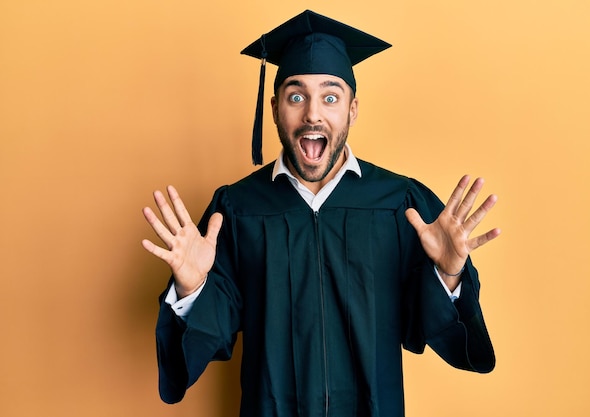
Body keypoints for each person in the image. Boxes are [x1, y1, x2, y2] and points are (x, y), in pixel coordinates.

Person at [142, 10, 500, 417]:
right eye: (297, 97)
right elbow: (210, 336)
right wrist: (192, 290)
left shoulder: (401, 204)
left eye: (331, 97)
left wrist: (449, 275)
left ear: (352, 109)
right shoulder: (237, 210)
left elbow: (426, 326)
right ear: (276, 108)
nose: (313, 113)